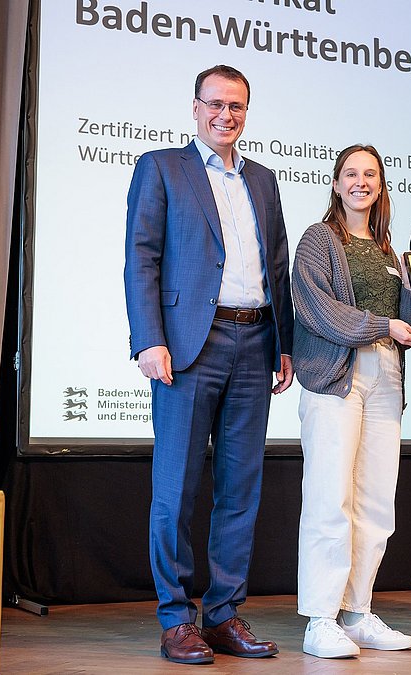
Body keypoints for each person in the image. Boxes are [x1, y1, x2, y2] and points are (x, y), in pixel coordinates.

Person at [124, 64, 294, 666]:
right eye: (216, 104)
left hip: (255, 343)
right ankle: (176, 619)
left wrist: (284, 343)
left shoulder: (265, 180)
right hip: (190, 345)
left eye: (238, 106)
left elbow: (278, 269)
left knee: (240, 490)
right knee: (176, 488)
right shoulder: (162, 168)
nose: (227, 115)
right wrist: (149, 339)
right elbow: (141, 258)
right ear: (195, 108)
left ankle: (222, 616)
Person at [291, 145, 411, 659]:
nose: (360, 182)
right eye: (351, 173)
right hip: (335, 378)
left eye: (370, 174)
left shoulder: (391, 251)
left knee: (375, 502)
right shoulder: (318, 240)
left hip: (387, 376)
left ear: (381, 184)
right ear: (335, 182)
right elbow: (315, 309)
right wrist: (382, 325)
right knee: (331, 499)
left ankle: (359, 611)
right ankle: (321, 619)